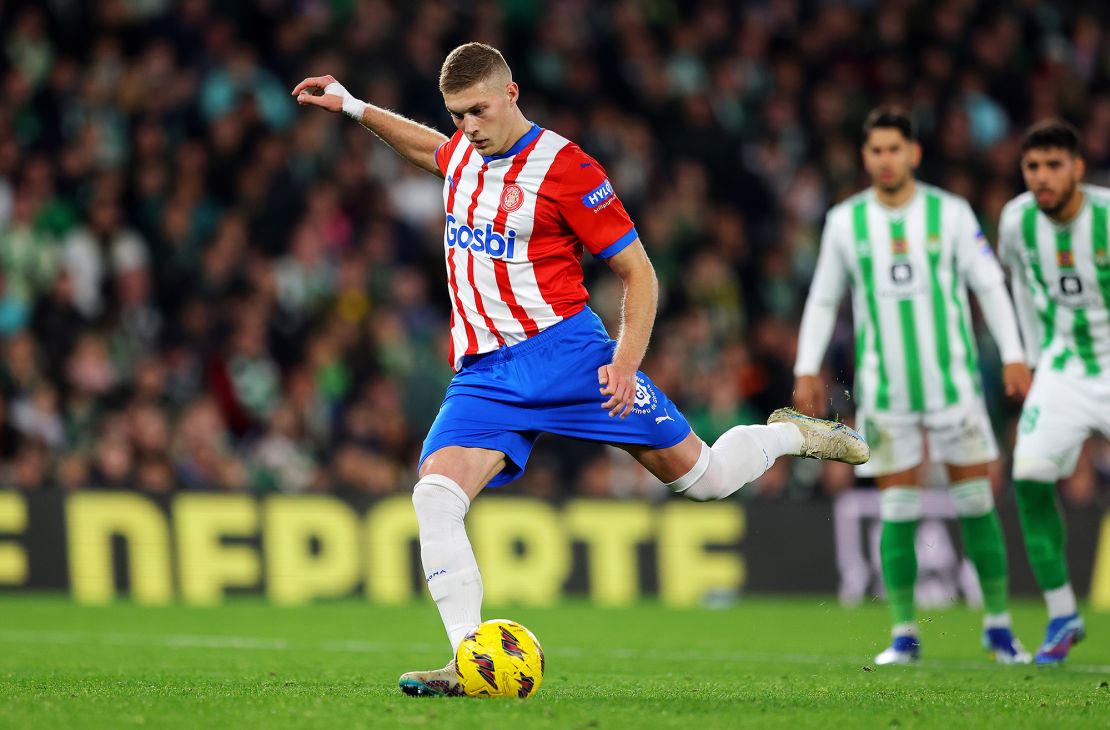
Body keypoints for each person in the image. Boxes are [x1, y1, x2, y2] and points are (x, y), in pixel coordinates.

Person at [293, 42, 869, 696]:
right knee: (434, 495)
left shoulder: (567, 169)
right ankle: (467, 661)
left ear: (511, 94)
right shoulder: (465, 152)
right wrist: (352, 105)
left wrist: (625, 363)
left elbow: (639, 273)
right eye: (457, 115)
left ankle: (792, 433)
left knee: (704, 481)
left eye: (478, 111)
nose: (468, 128)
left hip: (572, 360)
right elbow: (432, 150)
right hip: (485, 375)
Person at [792, 108, 1032, 665]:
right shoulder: (845, 221)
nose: (885, 160)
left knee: (976, 504)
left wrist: (1015, 355)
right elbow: (824, 298)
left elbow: (990, 284)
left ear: (914, 154)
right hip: (887, 393)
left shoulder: (950, 214)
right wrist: (807, 366)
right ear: (865, 157)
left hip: (955, 389)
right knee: (896, 508)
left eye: (894, 149)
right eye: (875, 150)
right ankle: (903, 633)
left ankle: (998, 627)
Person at [997, 119, 1106, 665]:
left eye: (1053, 166)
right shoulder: (1016, 220)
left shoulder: (1107, 217)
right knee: (1030, 479)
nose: (1041, 177)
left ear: (1077, 169)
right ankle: (1063, 616)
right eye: (1032, 167)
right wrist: (1027, 355)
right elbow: (1017, 281)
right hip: (1064, 368)